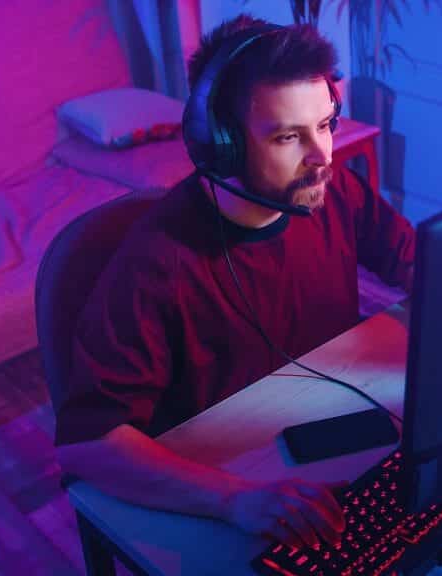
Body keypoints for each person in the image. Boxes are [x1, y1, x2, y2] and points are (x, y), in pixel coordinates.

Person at [54, 15, 415, 551]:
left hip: (322, 436)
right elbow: (87, 445)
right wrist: (232, 499)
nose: (323, 157)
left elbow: (422, 267)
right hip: (224, 485)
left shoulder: (335, 193)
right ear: (221, 146)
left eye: (326, 125)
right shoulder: (157, 266)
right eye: (289, 136)